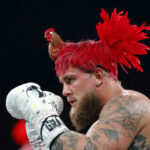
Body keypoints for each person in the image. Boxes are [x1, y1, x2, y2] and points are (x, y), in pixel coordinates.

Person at [6, 8, 150, 150]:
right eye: (63, 83)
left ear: (98, 76)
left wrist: (44, 118)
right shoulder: (106, 121)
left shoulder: (129, 105)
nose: (64, 92)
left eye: (70, 80)